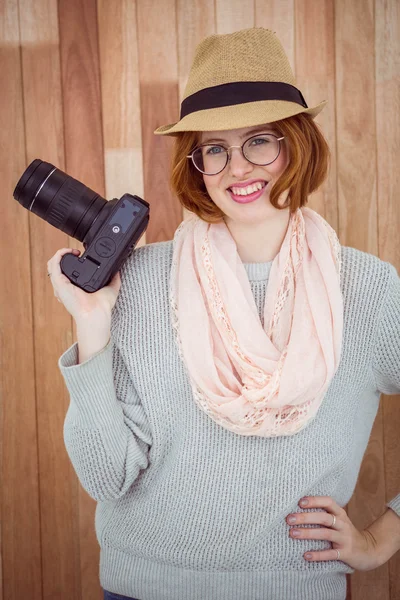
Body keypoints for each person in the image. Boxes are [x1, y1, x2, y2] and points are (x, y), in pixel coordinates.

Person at [47, 28, 400, 600]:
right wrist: (92, 326)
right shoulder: (137, 281)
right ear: (198, 165)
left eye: (260, 140)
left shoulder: (369, 290)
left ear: (297, 143)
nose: (238, 167)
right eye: (215, 148)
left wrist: (383, 537)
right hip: (141, 589)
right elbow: (107, 477)